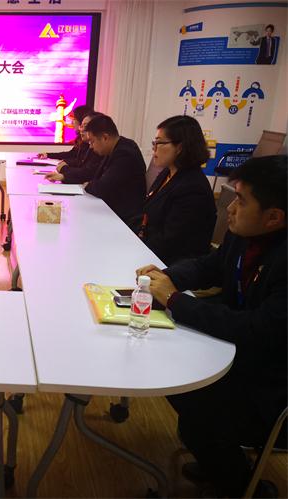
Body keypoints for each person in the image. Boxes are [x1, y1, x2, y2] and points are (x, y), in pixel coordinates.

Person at [137, 155, 287, 498]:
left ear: (274, 217)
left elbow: (259, 330)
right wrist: (167, 276)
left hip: (273, 381)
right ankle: (218, 458)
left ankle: (242, 485)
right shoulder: (246, 234)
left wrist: (175, 300)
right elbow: (211, 265)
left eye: (241, 201)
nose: (230, 209)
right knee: (175, 373)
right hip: (242, 351)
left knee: (196, 400)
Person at [130, 115, 216, 265]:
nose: (154, 148)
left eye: (159, 143)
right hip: (151, 251)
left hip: (171, 264)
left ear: (180, 147)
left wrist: (133, 247)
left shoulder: (193, 188)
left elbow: (169, 242)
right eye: (154, 143)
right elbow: (148, 214)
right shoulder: (168, 172)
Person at [78, 114, 146, 225]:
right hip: (113, 209)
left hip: (123, 218)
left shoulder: (125, 154)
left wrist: (89, 185)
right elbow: (97, 177)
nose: (91, 146)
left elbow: (102, 188)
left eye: (92, 141)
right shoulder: (115, 148)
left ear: (105, 138)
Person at [45, 112, 104, 185]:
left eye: (85, 126)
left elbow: (88, 173)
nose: (81, 129)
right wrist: (63, 174)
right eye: (81, 126)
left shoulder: (102, 150)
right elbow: (76, 159)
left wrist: (64, 170)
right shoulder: (86, 143)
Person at [38, 105, 95, 171]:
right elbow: (72, 154)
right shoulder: (80, 139)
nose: (71, 122)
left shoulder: (88, 141)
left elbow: (83, 165)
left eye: (74, 119)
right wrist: (48, 155)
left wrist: (65, 165)